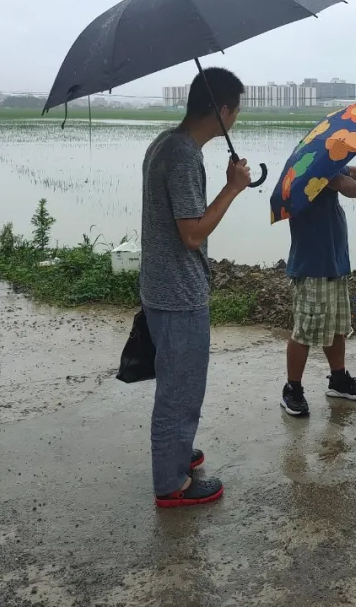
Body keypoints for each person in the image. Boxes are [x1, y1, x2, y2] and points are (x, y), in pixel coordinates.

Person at [140, 67, 251, 508]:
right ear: (222, 111)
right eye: (237, 110)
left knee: (177, 382)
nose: (237, 118)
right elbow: (192, 233)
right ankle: (171, 482)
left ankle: (178, 452)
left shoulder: (165, 142)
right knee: (181, 390)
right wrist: (232, 189)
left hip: (160, 286)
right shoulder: (184, 155)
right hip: (178, 292)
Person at [280, 164, 356, 417]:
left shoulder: (327, 163)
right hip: (313, 266)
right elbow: (344, 184)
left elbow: (349, 173)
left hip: (334, 262)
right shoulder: (312, 167)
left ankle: (338, 379)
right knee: (304, 330)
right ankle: (292, 388)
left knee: (337, 326)